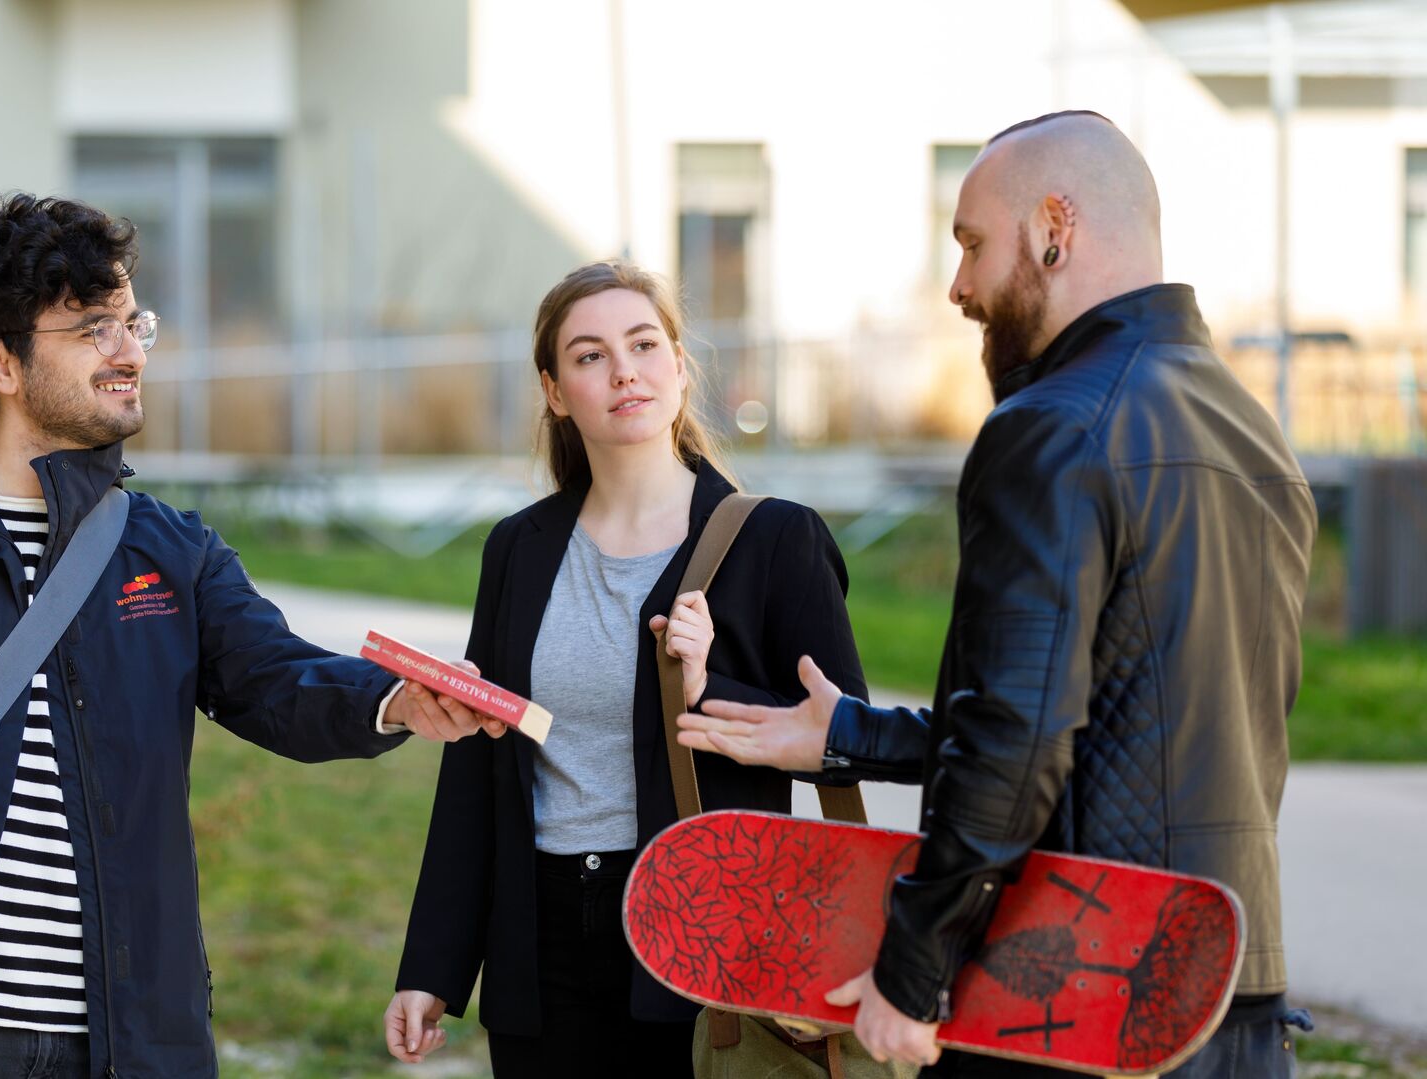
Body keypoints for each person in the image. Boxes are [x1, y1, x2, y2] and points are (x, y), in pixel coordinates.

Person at [0, 193, 500, 1078]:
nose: (130, 351)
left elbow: (275, 679)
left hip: (126, 1039)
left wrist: (392, 700)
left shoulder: (166, 548)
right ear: (0, 360)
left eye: (132, 320)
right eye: (92, 329)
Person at [677, 111, 1316, 1078]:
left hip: (1074, 1010)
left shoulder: (1051, 428)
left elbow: (1018, 745)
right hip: (1228, 1004)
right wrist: (853, 734)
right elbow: (1119, 727)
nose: (960, 286)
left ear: (1055, 226)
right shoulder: (1250, 430)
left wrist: (911, 967)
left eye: (972, 243)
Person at [382, 260, 871, 1076]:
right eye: (589, 355)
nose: (623, 371)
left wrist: (714, 685)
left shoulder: (776, 541)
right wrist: (431, 968)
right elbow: (482, 764)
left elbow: (852, 740)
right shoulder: (518, 548)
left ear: (679, 366)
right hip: (536, 947)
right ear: (553, 389)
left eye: (644, 344)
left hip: (704, 940)